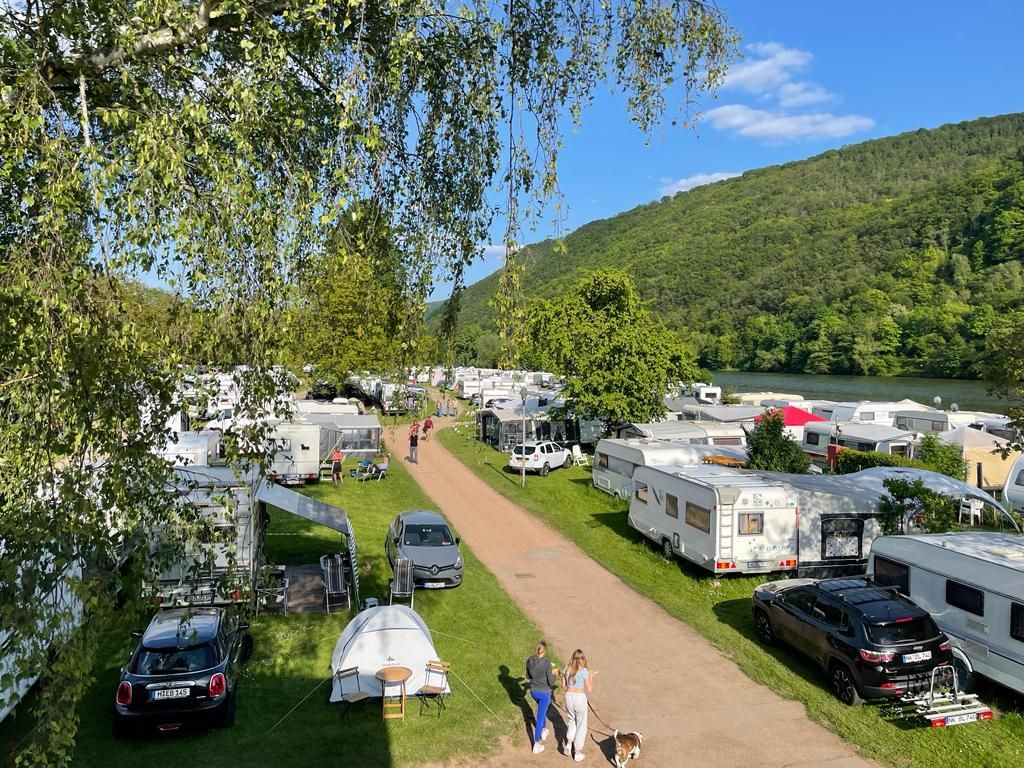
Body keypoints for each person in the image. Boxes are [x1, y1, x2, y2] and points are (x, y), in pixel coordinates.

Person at [562, 648, 596, 762]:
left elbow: (563, 685)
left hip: (568, 697)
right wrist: (591, 676)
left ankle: (568, 744)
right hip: (579, 698)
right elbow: (590, 688)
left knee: (572, 721)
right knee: (581, 725)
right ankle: (577, 752)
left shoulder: (566, 668)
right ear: (582, 659)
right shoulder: (584, 671)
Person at [525, 641, 557, 754]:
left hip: (534, 692)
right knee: (540, 717)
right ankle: (536, 743)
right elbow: (551, 681)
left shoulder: (529, 661)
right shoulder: (547, 663)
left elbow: (528, 676)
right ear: (545, 651)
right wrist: (555, 675)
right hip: (544, 694)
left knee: (541, 711)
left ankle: (544, 730)